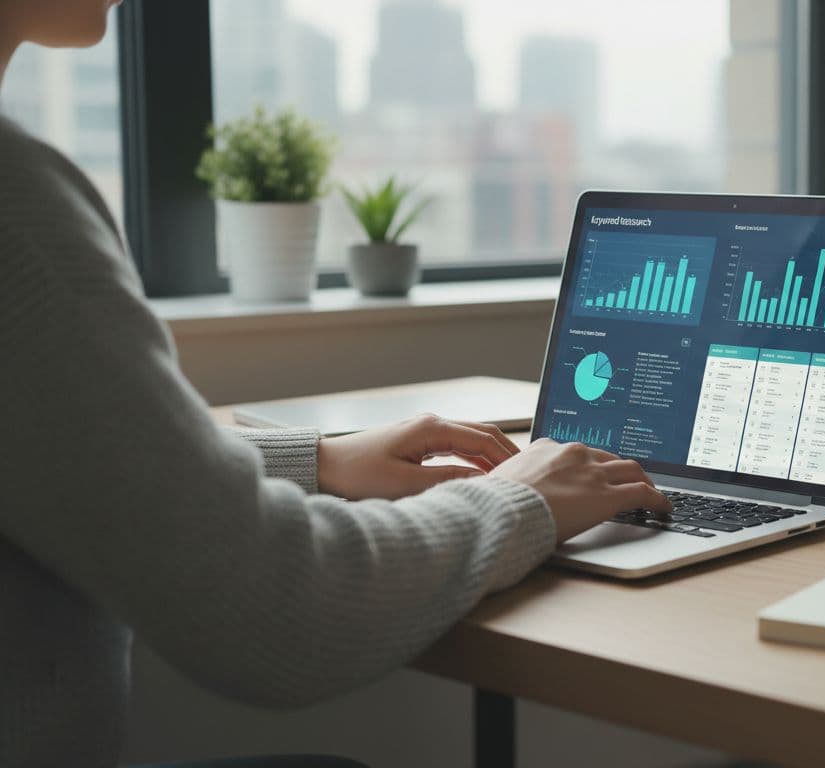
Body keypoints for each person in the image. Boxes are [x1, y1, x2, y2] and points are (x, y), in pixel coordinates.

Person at [0, 1, 671, 766]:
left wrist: (315, 459)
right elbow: (272, 615)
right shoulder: (14, 206)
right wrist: (516, 499)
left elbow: (81, 462)